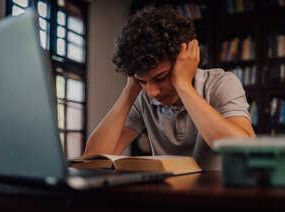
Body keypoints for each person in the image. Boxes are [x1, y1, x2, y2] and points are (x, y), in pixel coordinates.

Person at [83, 5, 255, 170]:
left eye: (161, 77)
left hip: (219, 197)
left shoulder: (221, 83)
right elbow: (92, 161)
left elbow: (244, 152)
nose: (152, 92)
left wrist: (183, 86)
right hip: (166, 197)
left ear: (185, 59)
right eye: (142, 81)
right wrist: (130, 91)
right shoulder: (142, 96)